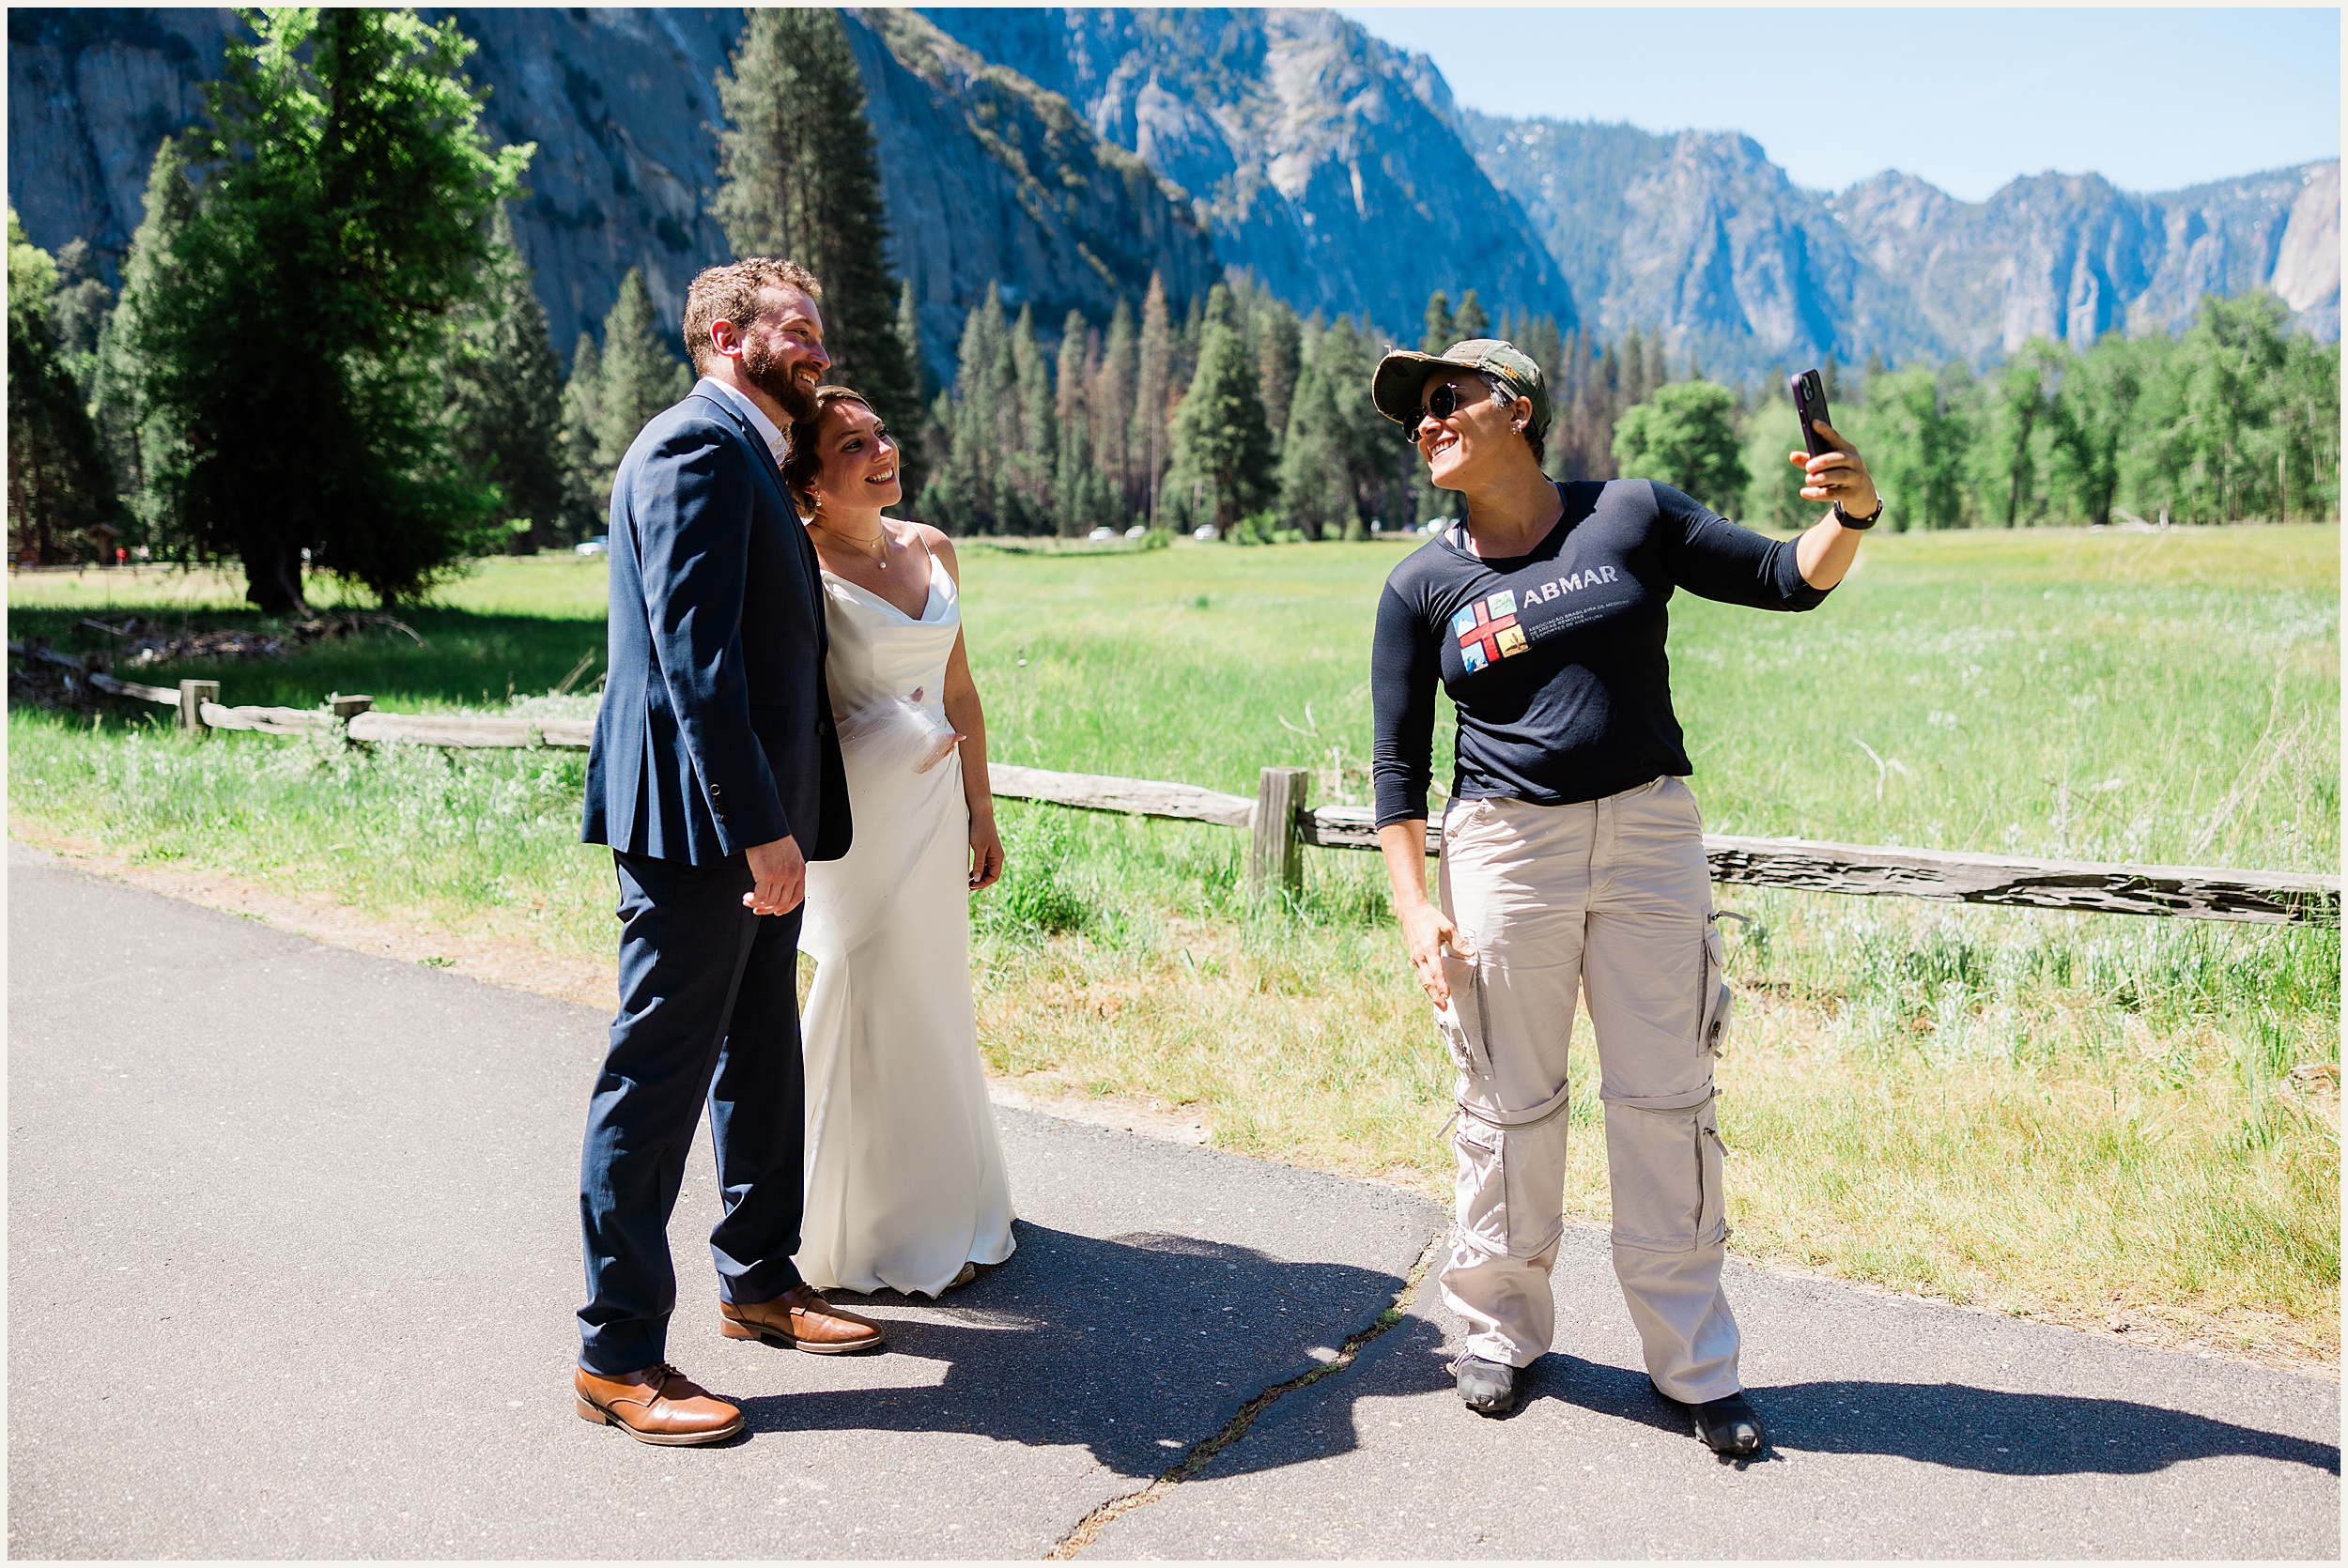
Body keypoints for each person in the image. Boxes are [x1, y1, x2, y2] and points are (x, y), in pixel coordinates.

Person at [1367, 338, 1878, 1451]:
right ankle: (1497, 1331)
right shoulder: (1419, 583)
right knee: (1507, 1102)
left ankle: (1694, 1362)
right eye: (1414, 414)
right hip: (1501, 849)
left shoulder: (1632, 515)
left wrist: (1853, 512)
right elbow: (1396, 774)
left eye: (1444, 400)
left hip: (1649, 834)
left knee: (1666, 1100)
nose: (1424, 423)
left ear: (1517, 407)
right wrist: (1417, 906)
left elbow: (1787, 579)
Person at [573, 259, 888, 1449]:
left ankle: (758, 1277)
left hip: (763, 815)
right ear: (722, 334)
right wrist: (759, 826)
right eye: (793, 330)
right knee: (656, 1074)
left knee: (758, 1048)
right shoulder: (692, 447)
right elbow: (695, 659)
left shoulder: (753, 446)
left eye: (819, 328)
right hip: (703, 825)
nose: (814, 347)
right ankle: (616, 1355)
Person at [780, 384, 1017, 1299]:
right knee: (867, 985)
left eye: (880, 431)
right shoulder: (798, 561)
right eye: (851, 446)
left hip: (937, 814)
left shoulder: (932, 546)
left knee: (933, 993)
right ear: (807, 483)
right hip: (859, 816)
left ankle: (948, 1199)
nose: (882, 449)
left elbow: (959, 694)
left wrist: (983, 809)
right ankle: (847, 1218)